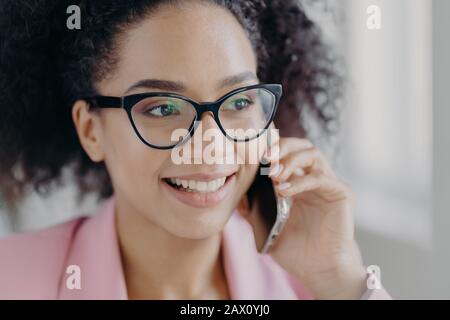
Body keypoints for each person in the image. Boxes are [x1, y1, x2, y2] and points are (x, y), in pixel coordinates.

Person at [0, 0, 391, 299]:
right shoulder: (12, 279)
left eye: (238, 102)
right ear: (91, 130)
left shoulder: (313, 277)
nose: (209, 144)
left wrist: (339, 282)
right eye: (163, 108)